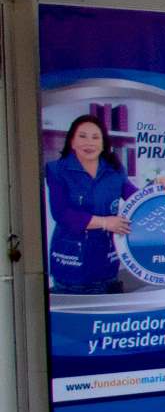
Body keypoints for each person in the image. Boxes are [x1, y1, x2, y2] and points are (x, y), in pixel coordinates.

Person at [44, 113, 143, 295]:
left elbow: (137, 199)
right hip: (73, 266)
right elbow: (61, 213)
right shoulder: (56, 170)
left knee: (109, 320)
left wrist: (160, 185)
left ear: (103, 143)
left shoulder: (114, 170)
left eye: (95, 137)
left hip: (108, 264)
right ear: (72, 141)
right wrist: (105, 222)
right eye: (82, 136)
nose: (89, 143)